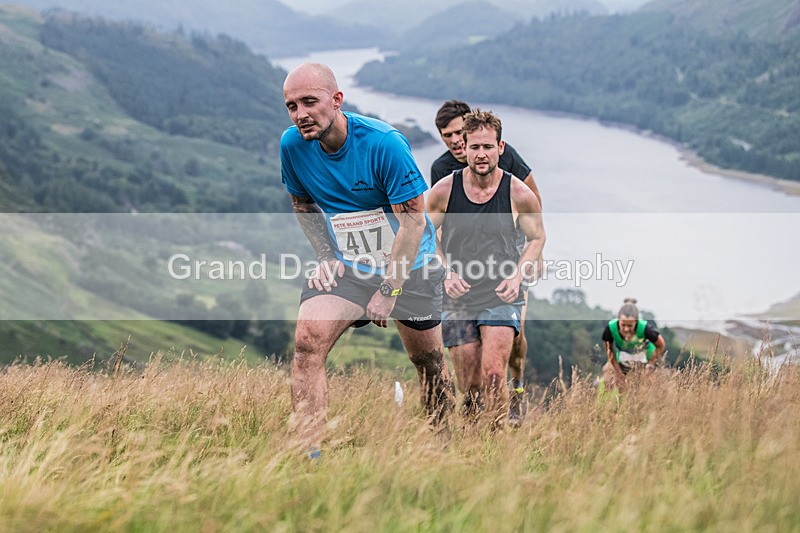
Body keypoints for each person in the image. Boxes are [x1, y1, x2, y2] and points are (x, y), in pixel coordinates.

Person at [280, 63, 454, 453]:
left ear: (337, 100)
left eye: (310, 101)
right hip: (352, 269)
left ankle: (440, 446)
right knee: (307, 342)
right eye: (292, 106)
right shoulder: (292, 145)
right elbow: (301, 202)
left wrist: (390, 288)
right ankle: (310, 455)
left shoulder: (384, 143)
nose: (300, 114)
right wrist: (326, 255)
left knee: (428, 363)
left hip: (411, 268)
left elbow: (411, 223)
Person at [426, 109, 545, 426]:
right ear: (464, 147)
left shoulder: (519, 194)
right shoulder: (443, 192)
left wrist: (519, 274)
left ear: (500, 148)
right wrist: (446, 272)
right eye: (474, 147)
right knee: (470, 385)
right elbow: (424, 235)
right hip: (457, 296)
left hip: (500, 293)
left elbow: (537, 237)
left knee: (494, 375)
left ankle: (498, 443)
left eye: (488, 147)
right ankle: (473, 432)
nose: (481, 154)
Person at [601, 298, 667, 390]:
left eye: (630, 326)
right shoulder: (610, 328)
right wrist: (619, 373)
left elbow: (661, 345)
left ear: (636, 321)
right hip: (621, 360)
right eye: (623, 325)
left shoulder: (644, 328)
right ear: (618, 320)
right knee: (608, 379)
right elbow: (610, 352)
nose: (626, 329)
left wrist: (651, 365)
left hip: (645, 360)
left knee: (647, 387)